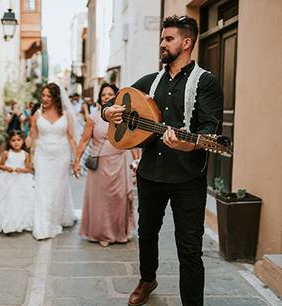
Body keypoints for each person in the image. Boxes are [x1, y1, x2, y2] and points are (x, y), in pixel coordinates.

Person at [102, 15, 223, 306]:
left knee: (190, 248)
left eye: (168, 39)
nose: (162, 44)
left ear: (186, 42)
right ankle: (147, 279)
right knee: (146, 232)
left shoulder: (205, 82)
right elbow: (113, 100)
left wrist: (187, 143)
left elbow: (212, 132)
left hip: (187, 178)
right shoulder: (151, 81)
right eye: (161, 38)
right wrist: (109, 112)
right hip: (150, 173)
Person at [73, 83, 138, 247]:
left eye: (110, 94)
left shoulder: (125, 117)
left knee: (119, 199)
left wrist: (137, 160)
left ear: (116, 96)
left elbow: (132, 141)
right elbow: (83, 141)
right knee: (101, 201)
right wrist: (76, 162)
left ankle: (119, 232)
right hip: (100, 165)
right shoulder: (93, 118)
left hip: (119, 163)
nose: (106, 97)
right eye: (103, 94)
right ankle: (103, 234)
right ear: (99, 98)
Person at [26, 83, 78, 240]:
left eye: (48, 96)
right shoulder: (36, 114)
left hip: (61, 156)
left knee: (57, 188)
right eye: (43, 95)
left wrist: (76, 160)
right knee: (43, 187)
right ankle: (43, 225)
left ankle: (57, 217)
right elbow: (33, 136)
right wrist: (28, 153)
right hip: (42, 155)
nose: (45, 99)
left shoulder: (67, 115)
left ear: (56, 97)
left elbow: (72, 138)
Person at [0, 130, 35, 233]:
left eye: (18, 140)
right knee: (9, 199)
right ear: (9, 142)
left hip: (21, 180)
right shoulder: (6, 153)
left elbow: (28, 168)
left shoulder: (25, 154)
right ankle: (7, 222)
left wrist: (20, 170)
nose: (16, 142)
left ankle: (22, 222)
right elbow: (0, 165)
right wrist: (7, 168)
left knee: (21, 201)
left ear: (23, 141)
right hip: (8, 180)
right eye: (13, 140)